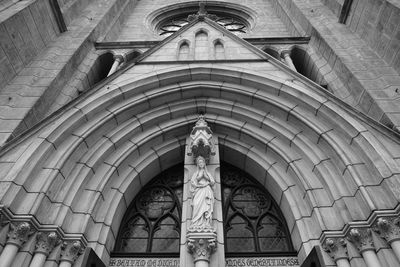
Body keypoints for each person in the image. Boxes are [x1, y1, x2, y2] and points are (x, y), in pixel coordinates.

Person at [190, 156, 215, 229]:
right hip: (198, 190)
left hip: (206, 190)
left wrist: (205, 176)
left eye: (202, 162)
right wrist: (200, 176)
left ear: (204, 163)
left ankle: (206, 223)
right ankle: (196, 223)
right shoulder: (196, 173)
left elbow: (212, 182)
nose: (201, 164)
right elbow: (193, 182)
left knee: (206, 206)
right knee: (196, 204)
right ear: (198, 164)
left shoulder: (207, 172)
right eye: (199, 163)